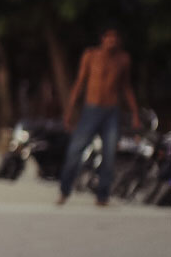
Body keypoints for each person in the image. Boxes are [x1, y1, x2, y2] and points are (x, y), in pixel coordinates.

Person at [58, 27, 142, 207]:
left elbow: (126, 87)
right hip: (91, 109)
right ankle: (64, 190)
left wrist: (135, 113)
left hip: (111, 111)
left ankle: (102, 196)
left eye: (115, 38)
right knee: (75, 150)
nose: (112, 42)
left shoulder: (123, 59)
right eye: (109, 38)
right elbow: (80, 82)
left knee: (109, 154)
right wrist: (69, 110)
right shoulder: (91, 55)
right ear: (102, 38)